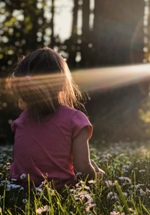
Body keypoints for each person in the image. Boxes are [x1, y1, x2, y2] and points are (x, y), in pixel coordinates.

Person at [7, 47, 105, 190]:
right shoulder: (75, 119)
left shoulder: (21, 121)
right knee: (93, 167)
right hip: (60, 192)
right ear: (61, 83)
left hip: (20, 190)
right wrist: (98, 176)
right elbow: (82, 168)